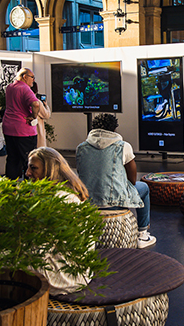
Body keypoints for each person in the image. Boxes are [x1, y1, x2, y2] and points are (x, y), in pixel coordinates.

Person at [75, 113, 156, 248]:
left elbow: (82, 173)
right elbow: (132, 180)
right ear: (114, 129)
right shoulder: (123, 146)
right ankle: (143, 234)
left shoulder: (81, 148)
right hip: (114, 203)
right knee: (144, 188)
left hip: (88, 201)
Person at [25, 147, 92, 295]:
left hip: (66, 275)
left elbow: (40, 249)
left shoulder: (61, 200)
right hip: (71, 266)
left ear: (51, 170)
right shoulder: (59, 192)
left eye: (33, 168)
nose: (27, 173)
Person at [2, 68, 41, 179]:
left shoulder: (10, 87)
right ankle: (29, 186)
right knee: (29, 160)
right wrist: (33, 117)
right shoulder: (25, 88)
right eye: (32, 77)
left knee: (12, 159)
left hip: (8, 127)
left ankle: (10, 186)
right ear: (24, 77)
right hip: (23, 130)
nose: (33, 80)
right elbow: (36, 104)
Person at [30, 80, 52, 147]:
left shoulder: (23, 99)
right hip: (37, 130)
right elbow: (47, 115)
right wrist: (46, 105)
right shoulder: (37, 102)